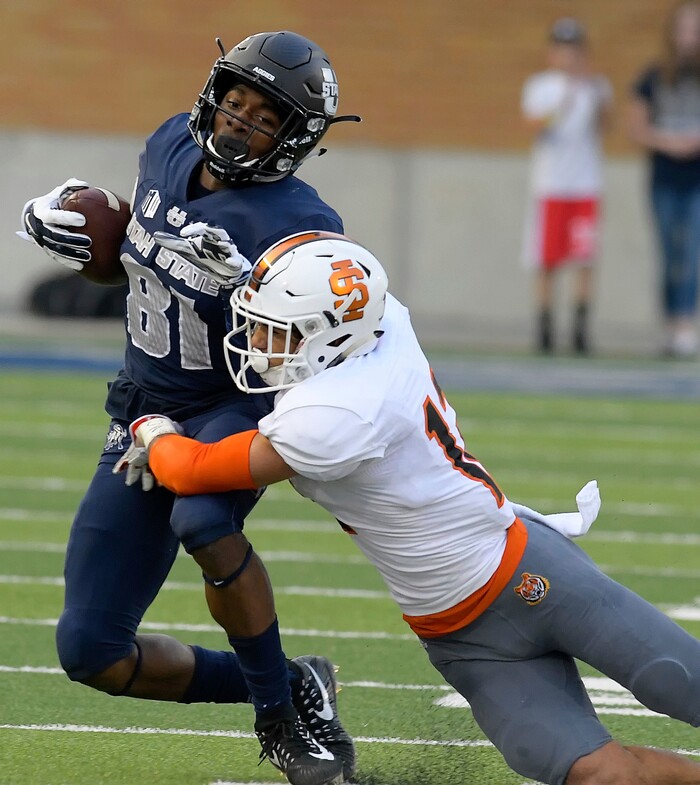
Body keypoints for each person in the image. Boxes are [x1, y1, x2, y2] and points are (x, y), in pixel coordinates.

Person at [118, 230, 700, 785]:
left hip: (531, 575)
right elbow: (344, 289)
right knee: (595, 774)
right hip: (461, 637)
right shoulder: (382, 320)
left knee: (682, 682)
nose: (259, 344)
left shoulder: (338, 416)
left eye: (279, 332)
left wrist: (149, 426)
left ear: (330, 338)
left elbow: (189, 469)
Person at [18, 31, 358, 785]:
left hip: (233, 402)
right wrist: (82, 241)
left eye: (263, 116)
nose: (239, 122)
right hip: (143, 409)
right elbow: (142, 269)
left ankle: (281, 721)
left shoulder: (303, 223)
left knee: (200, 517)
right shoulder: (170, 142)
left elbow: (312, 353)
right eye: (233, 102)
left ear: (293, 139)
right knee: (92, 650)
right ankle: (291, 681)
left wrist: (250, 285)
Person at [521, 18, 613, 355]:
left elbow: (606, 126)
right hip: (551, 184)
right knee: (547, 257)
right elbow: (533, 125)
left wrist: (593, 94)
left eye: (574, 49)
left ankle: (580, 328)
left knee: (584, 255)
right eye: (562, 48)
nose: (568, 56)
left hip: (585, 182)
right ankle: (545, 327)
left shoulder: (596, 86)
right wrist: (561, 105)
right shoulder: (541, 86)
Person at [628, 0, 700, 359]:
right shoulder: (654, 77)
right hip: (664, 176)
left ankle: (685, 323)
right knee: (669, 251)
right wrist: (668, 141)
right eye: (685, 29)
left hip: (697, 177)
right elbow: (636, 128)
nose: (690, 37)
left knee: (692, 250)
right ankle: (670, 321)